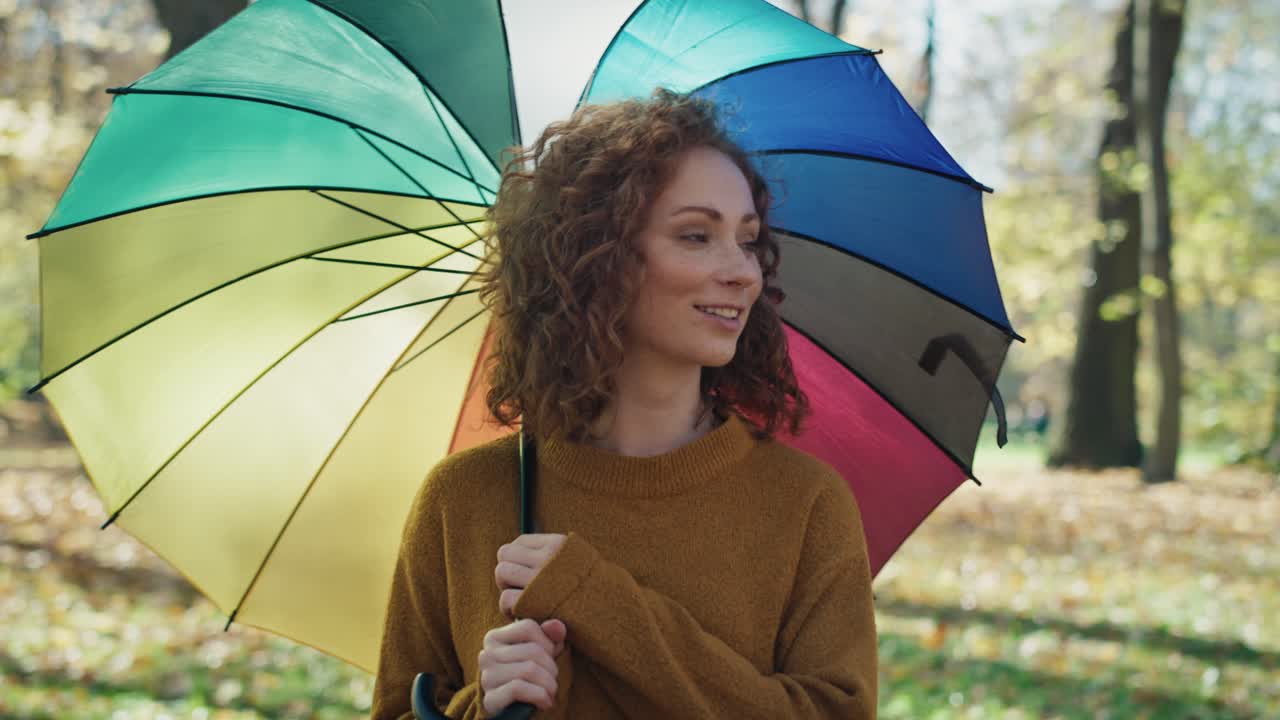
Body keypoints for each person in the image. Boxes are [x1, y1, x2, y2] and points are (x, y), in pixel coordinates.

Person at [370, 88, 878, 719]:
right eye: (696, 235)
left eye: (747, 241)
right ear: (595, 257)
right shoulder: (465, 499)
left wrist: (594, 600)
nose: (744, 273)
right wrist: (486, 707)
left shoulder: (804, 503)